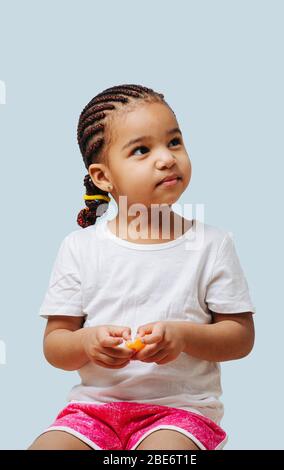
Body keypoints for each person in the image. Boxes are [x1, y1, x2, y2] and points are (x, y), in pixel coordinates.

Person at [28, 84, 256, 451]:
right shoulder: (80, 248)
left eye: (175, 142)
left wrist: (183, 337)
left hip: (180, 414)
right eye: (142, 150)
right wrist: (86, 342)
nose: (166, 158)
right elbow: (56, 346)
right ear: (103, 177)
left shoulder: (213, 244)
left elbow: (240, 337)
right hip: (92, 412)